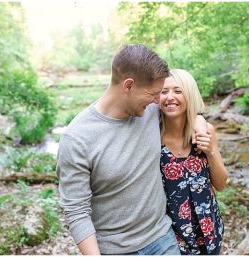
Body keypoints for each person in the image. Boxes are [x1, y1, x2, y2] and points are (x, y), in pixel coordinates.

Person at [57, 44, 208, 255]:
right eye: (154, 94)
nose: (160, 100)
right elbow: (76, 211)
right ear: (128, 85)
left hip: (162, 239)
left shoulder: (149, 110)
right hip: (115, 250)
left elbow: (186, 110)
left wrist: (200, 121)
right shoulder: (76, 139)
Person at [159, 69, 227, 255]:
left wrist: (210, 151)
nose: (169, 97)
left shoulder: (205, 132)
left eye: (178, 91)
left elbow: (220, 184)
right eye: (163, 92)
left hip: (208, 228)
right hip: (170, 233)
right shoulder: (152, 136)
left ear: (189, 95)